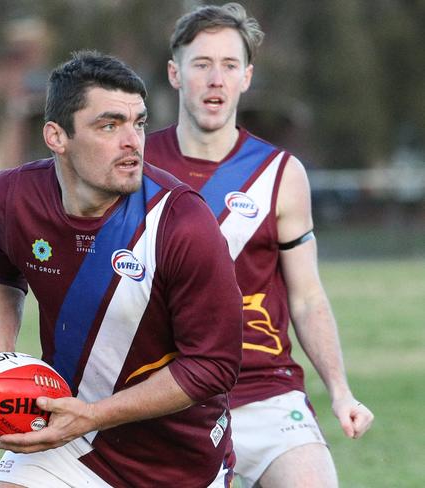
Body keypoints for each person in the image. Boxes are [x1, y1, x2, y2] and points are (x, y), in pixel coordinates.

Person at [0, 50, 243, 488]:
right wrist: (0, 357)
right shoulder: (12, 198)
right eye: (109, 125)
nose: (133, 142)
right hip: (71, 441)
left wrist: (92, 416)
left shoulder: (182, 222)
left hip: (180, 462)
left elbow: (213, 365)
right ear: (56, 136)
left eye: (138, 123)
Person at [144, 4, 374, 488]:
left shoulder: (281, 174)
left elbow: (308, 297)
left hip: (265, 392)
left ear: (246, 77)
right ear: (175, 74)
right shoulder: (136, 166)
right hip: (164, 396)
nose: (215, 78)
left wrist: (341, 391)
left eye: (229, 65)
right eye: (201, 64)